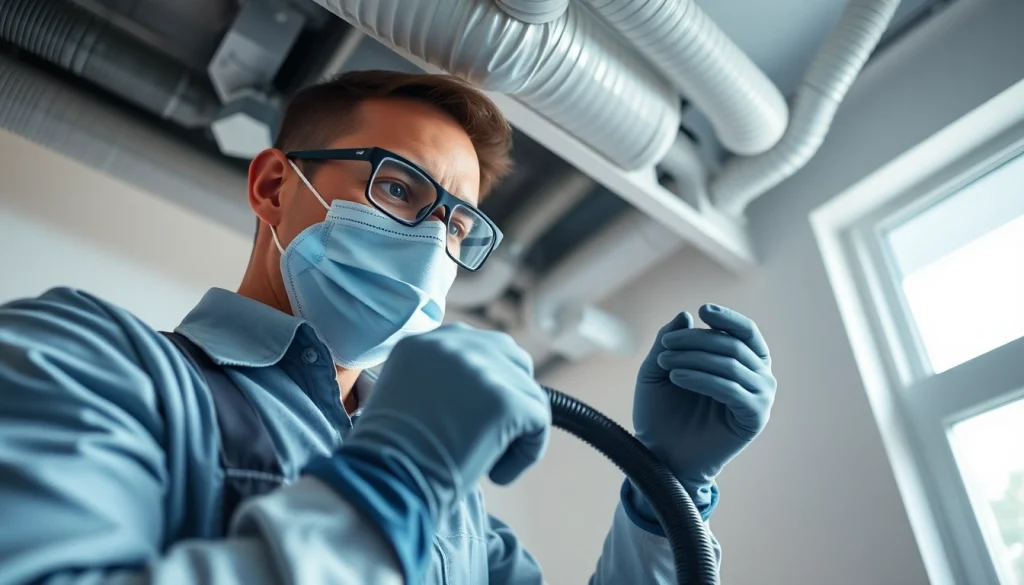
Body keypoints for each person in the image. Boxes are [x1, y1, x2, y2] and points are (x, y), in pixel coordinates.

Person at [0, 70, 777, 585]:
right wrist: (393, 482)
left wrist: (664, 491)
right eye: (400, 187)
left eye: (457, 224)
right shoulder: (87, 357)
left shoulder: (464, 513)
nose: (431, 244)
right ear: (274, 186)